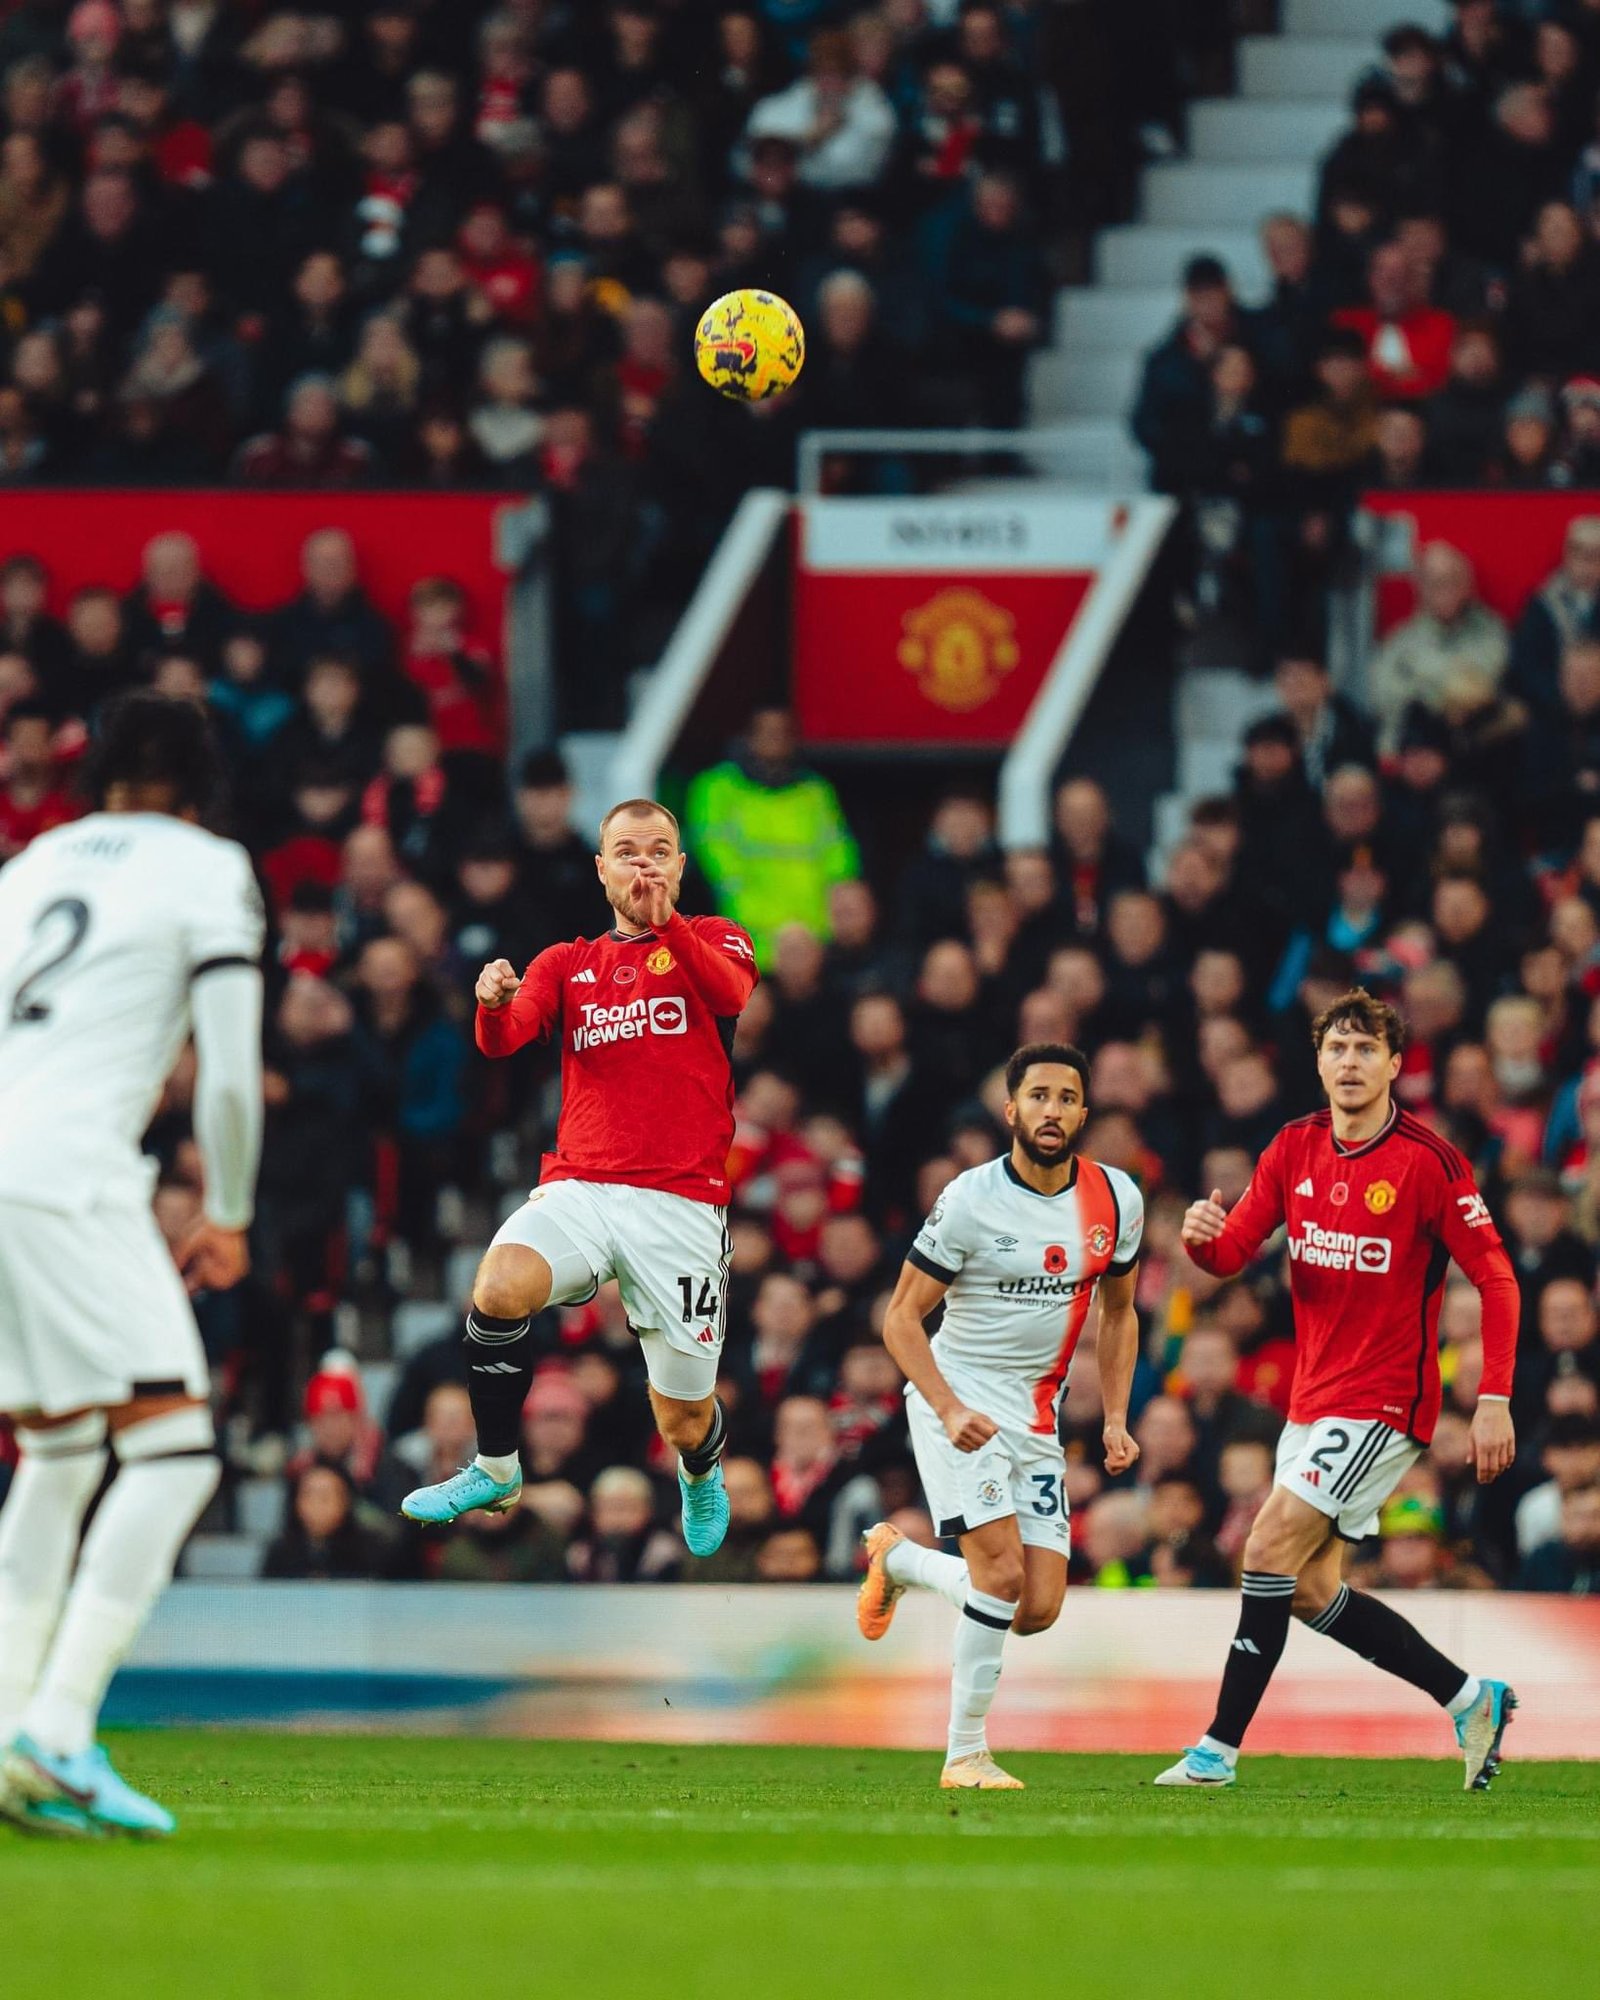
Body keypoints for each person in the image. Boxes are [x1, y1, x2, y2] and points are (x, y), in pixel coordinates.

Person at [0, 692, 264, 1836]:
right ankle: (55, 1728)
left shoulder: (29, 863)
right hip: (68, 1170)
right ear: (203, 784)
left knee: (58, 1453)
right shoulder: (206, 868)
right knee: (175, 1449)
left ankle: (12, 1723)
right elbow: (231, 1072)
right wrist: (231, 1205)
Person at [1156, 988, 1520, 1792]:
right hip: (1313, 1400)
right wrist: (1201, 1243)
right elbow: (1235, 1253)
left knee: (1265, 1547)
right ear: (1318, 1062)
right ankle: (1470, 1699)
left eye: (1366, 1050)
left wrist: (1492, 1396)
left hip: (1387, 1400)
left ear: (1395, 1065)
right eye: (1336, 1049)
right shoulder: (1293, 1148)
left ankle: (1216, 1751)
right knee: (1310, 1587)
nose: (1349, 1063)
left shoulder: (1430, 1162)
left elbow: (1496, 1279)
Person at [399, 799, 757, 1562]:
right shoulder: (568, 963)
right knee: (497, 1286)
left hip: (681, 1205)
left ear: (680, 866)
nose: (643, 863)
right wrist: (491, 1004)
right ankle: (496, 1467)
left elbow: (731, 998)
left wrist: (669, 927)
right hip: (583, 1187)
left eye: (659, 850)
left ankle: (699, 1472)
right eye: (626, 851)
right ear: (600, 869)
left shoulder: (718, 940)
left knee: (683, 1417)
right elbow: (506, 1039)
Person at [855, 1041, 1144, 1790]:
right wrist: (948, 1408)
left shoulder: (1117, 1199)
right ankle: (965, 1754)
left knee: (1036, 1606)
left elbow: (1120, 1312)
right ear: (1011, 1110)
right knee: (1001, 1573)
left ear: (1085, 1112)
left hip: (1037, 1413)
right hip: (959, 1395)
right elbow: (900, 1319)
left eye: (1068, 1098)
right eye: (1039, 1096)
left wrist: (1115, 1417)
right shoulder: (970, 1198)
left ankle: (903, 1561)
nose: (1054, 1110)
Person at [683, 708, 860, 967]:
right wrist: (779, 928)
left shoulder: (815, 792)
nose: (775, 740)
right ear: (747, 737)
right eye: (767, 732)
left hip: (815, 940)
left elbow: (839, 862)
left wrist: (819, 928)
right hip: (748, 940)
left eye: (783, 733)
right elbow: (723, 869)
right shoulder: (716, 788)